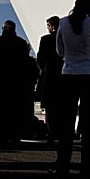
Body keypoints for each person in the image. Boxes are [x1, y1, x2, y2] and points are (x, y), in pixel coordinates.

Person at [54, 0, 90, 179]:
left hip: (68, 74)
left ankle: (62, 164)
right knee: (88, 124)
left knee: (66, 123)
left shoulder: (63, 22)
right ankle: (86, 166)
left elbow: (59, 51)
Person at [0, 20, 35, 147]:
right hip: (16, 80)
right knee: (15, 110)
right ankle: (14, 136)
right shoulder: (21, 43)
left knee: (0, 110)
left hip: (1, 79)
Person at [36, 16, 63, 144]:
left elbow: (40, 58)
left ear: (51, 26)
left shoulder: (45, 39)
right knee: (61, 107)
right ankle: (60, 133)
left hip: (49, 76)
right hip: (63, 76)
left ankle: (51, 134)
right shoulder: (64, 39)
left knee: (50, 109)